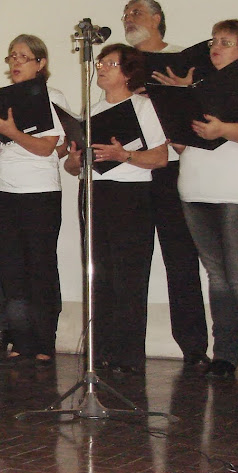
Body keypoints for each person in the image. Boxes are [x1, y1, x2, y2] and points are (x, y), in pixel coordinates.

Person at [159, 20, 238, 380]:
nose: (216, 47)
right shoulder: (196, 86)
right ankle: (225, 352)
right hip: (197, 190)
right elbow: (186, 144)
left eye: (226, 42)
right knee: (216, 277)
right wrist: (177, 129)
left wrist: (223, 130)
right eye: (213, 41)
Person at [64, 44, 168, 374]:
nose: (101, 68)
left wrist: (123, 155)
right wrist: (75, 160)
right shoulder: (89, 111)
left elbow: (161, 158)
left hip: (131, 196)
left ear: (127, 71)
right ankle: (101, 351)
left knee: (129, 277)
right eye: (100, 62)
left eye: (109, 63)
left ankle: (129, 355)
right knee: (99, 275)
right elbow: (70, 165)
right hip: (94, 192)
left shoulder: (144, 107)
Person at [122, 0, 209, 367]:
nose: (128, 19)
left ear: (157, 18)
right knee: (130, 263)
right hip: (133, 173)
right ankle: (126, 348)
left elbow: (201, 115)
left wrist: (170, 91)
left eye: (136, 12)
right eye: (125, 14)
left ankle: (194, 349)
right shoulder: (121, 67)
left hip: (171, 167)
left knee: (181, 260)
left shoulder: (181, 59)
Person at [0, 34, 67, 368]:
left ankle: (45, 341)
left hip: (39, 193)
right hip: (4, 191)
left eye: (23, 57)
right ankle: (21, 338)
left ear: (40, 63)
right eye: (11, 56)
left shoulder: (51, 97)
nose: (15, 62)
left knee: (40, 269)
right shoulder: (0, 102)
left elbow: (47, 148)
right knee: (11, 269)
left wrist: (11, 131)